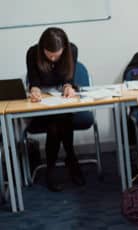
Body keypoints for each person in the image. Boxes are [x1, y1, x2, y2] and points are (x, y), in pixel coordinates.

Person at [26, 27, 85, 192]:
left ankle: (54, 166)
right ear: (42, 48)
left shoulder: (71, 50)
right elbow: (34, 81)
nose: (52, 58)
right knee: (55, 121)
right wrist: (35, 91)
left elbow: (69, 78)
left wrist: (68, 86)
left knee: (63, 116)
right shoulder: (33, 53)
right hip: (43, 100)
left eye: (56, 55)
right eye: (49, 54)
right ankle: (70, 159)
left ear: (64, 49)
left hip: (61, 97)